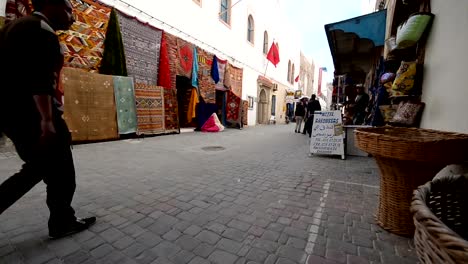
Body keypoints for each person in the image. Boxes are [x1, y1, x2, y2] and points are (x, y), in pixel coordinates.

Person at [0, 0, 96, 239]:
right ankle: (62, 222)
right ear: (52, 5)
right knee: (60, 170)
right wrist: (47, 120)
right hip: (32, 113)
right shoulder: (41, 30)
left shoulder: (15, 27)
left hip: (11, 112)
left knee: (40, 168)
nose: (72, 17)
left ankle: (62, 219)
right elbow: (39, 77)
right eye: (68, 10)